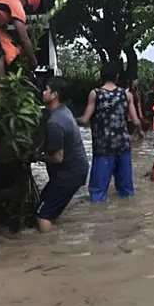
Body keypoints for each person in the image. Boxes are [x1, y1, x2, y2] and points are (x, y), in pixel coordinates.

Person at [78, 64, 142, 202]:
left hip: (103, 146)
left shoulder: (95, 93)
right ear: (117, 77)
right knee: (126, 189)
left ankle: (100, 217)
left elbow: (84, 120)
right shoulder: (126, 94)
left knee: (98, 191)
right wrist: (140, 133)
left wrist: (71, 119)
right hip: (123, 144)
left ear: (101, 76)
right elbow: (136, 121)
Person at [34, 77, 89, 233]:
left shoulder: (55, 122)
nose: (43, 92)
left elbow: (58, 157)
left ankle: (48, 251)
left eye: (46, 89)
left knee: (42, 215)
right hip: (73, 171)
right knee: (42, 204)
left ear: (54, 95)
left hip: (69, 174)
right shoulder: (63, 112)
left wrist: (36, 157)